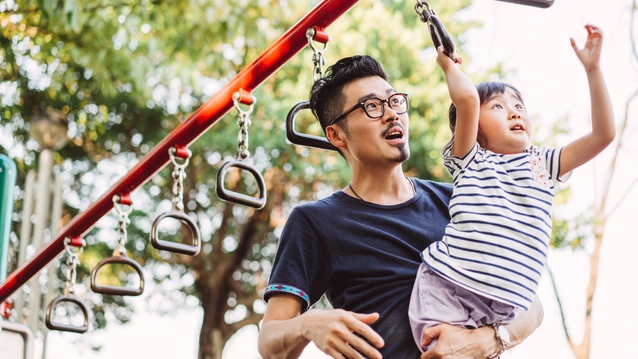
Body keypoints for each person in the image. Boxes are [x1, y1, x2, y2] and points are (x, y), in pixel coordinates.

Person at [257, 54, 545, 359]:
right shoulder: (315, 221)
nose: (392, 114)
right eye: (372, 106)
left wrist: (485, 341)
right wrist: (309, 324)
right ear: (336, 134)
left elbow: (531, 304)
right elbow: (270, 341)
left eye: (394, 101)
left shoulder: (459, 198)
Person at [409, 24, 615, 356]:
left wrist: (593, 71)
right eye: (498, 106)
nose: (515, 110)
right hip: (448, 285)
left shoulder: (542, 164)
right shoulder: (470, 159)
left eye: (518, 104)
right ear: (474, 127)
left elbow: (603, 135)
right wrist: (450, 66)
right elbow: (465, 100)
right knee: (440, 351)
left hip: (502, 306)